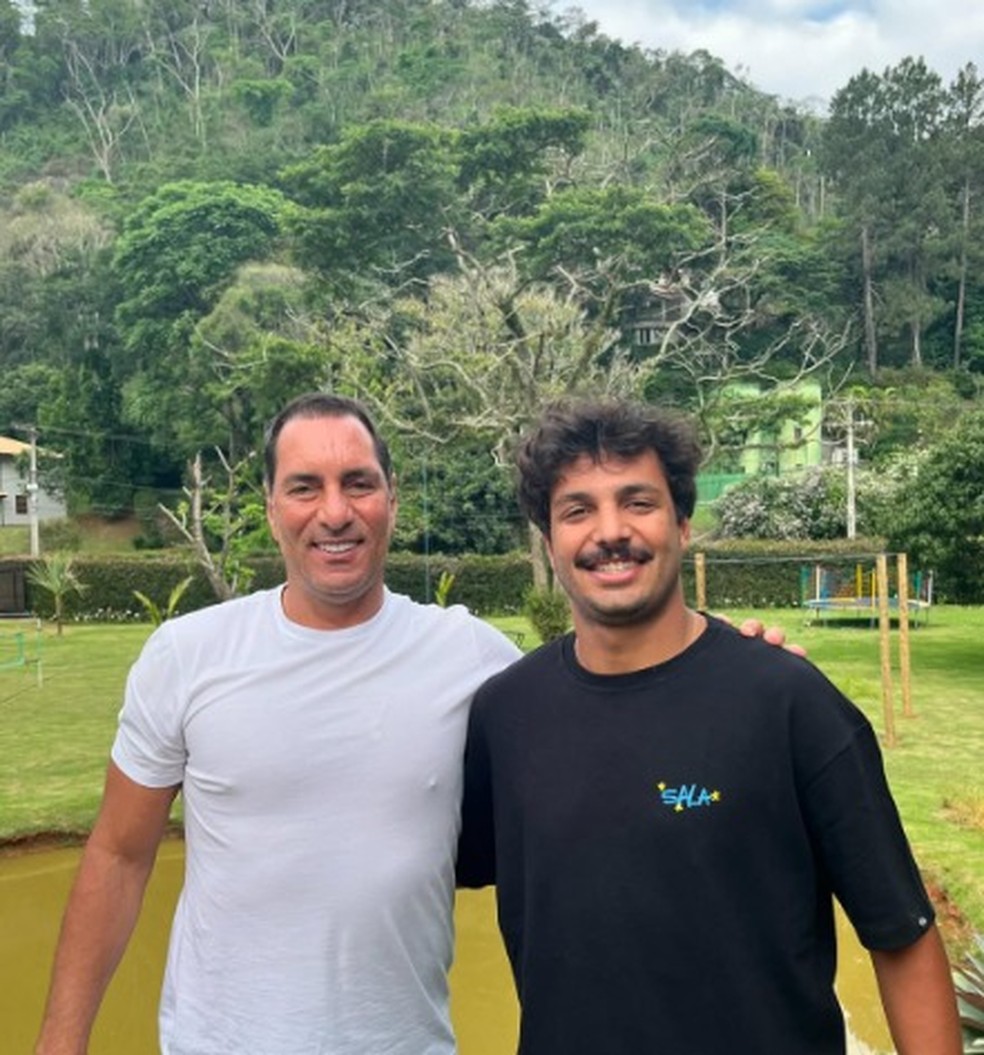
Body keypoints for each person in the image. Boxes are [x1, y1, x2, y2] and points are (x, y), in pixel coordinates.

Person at [35, 392, 792, 1055]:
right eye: (305, 487)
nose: (335, 512)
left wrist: (726, 667)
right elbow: (118, 856)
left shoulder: (473, 659)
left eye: (358, 483)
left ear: (391, 499)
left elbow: (613, 703)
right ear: (270, 506)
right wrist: (59, 1044)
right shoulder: (188, 656)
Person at [457, 397, 962, 1055]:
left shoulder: (787, 702)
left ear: (683, 523)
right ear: (549, 542)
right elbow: (410, 868)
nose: (611, 530)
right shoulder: (505, 715)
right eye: (577, 510)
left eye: (638, 502)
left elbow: (902, 933)